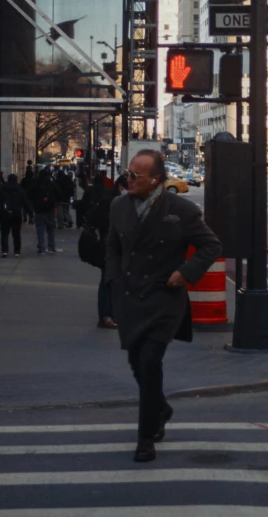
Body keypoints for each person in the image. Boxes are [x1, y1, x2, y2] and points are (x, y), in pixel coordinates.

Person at [105, 149, 221, 463]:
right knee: (135, 362)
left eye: (135, 176)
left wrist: (184, 273)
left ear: (156, 180)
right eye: (128, 173)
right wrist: (114, 282)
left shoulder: (180, 210)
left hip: (163, 300)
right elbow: (113, 248)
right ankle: (162, 408)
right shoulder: (118, 206)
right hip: (130, 298)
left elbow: (211, 245)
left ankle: (145, 438)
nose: (127, 179)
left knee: (149, 363)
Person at [82, 173, 117, 329]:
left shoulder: (106, 200)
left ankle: (109, 314)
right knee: (108, 281)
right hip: (111, 248)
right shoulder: (110, 202)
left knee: (110, 281)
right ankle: (106, 315)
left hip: (110, 246)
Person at [0, 174, 34, 257]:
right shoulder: (20, 189)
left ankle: (5, 250)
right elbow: (26, 202)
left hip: (4, 213)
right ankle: (17, 251)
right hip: (16, 213)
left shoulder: (2, 188)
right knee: (16, 233)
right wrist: (31, 215)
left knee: (4, 233)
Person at [28, 169, 60, 254]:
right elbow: (59, 194)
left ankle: (42, 247)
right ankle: (51, 246)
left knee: (40, 228)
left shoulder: (36, 184)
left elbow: (29, 195)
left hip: (38, 209)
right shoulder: (51, 184)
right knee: (51, 228)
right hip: (50, 209)